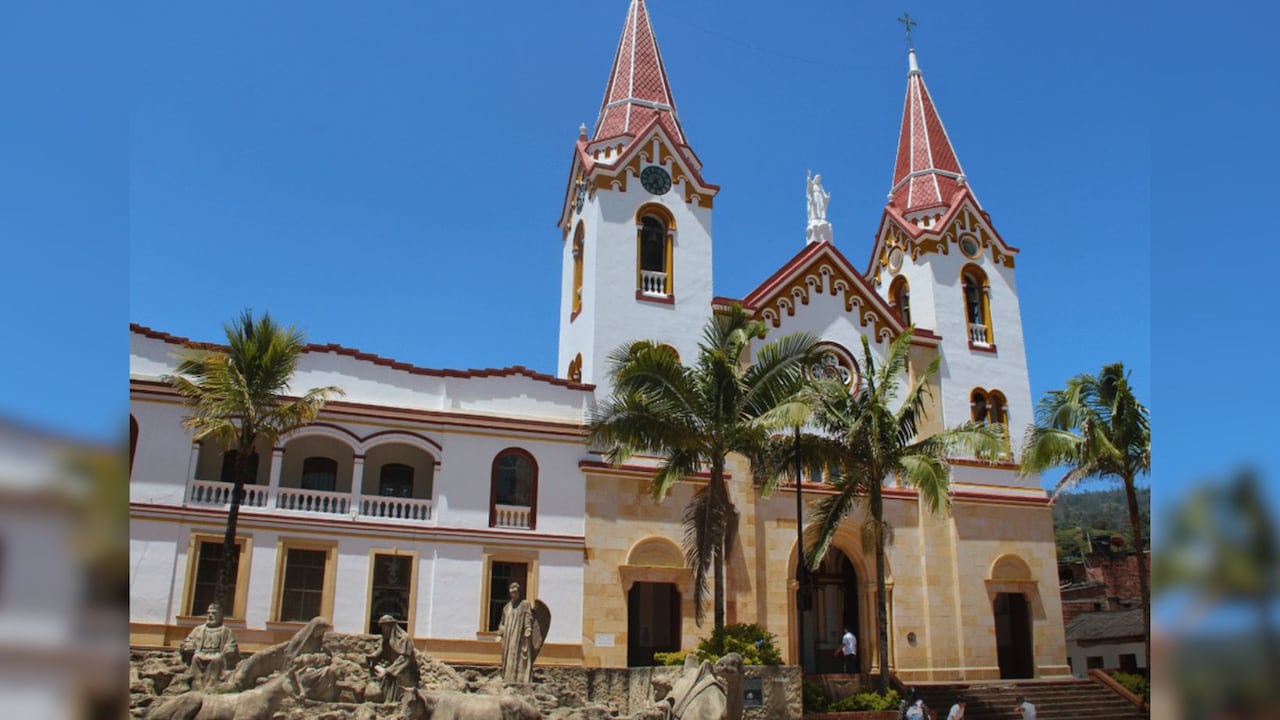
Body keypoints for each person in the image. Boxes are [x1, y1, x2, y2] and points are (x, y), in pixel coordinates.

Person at [180, 602, 239, 690]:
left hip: (217, 654)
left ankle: (213, 686)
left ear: (220, 615)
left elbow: (231, 644)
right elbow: (188, 641)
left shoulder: (226, 631)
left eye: (214, 613)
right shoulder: (198, 629)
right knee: (196, 658)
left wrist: (229, 649)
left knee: (216, 660)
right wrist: (189, 646)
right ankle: (196, 686)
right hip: (201, 654)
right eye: (209, 613)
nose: (210, 615)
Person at [497, 581, 543, 683]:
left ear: (519, 592)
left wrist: (528, 629)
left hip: (519, 635)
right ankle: (508, 679)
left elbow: (528, 617)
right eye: (512, 591)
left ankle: (519, 680)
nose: (513, 593)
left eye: (515, 591)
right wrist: (500, 633)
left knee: (519, 656)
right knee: (508, 656)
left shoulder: (524, 604)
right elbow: (502, 622)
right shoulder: (507, 607)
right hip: (508, 636)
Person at [366, 614, 419, 703]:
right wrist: (373, 656)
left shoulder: (404, 639)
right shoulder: (386, 638)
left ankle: (393, 701)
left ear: (390, 626)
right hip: (393, 667)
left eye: (384, 627)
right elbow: (381, 650)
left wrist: (389, 670)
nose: (383, 630)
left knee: (393, 676)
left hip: (404, 669)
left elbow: (405, 659)